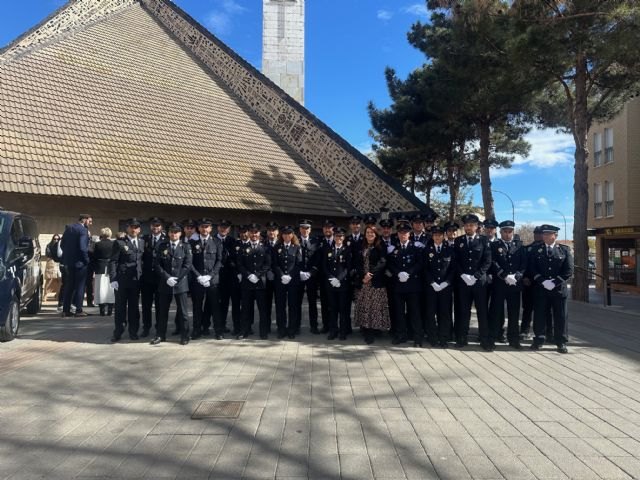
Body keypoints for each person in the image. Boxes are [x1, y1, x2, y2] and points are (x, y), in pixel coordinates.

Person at [529, 225, 574, 353]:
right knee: (539, 315)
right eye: (544, 234)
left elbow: (569, 270)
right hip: (541, 289)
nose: (546, 236)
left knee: (560, 316)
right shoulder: (536, 249)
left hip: (558, 289)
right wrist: (542, 281)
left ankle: (561, 341)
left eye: (549, 234)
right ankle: (539, 339)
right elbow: (532, 268)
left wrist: (555, 282)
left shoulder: (564, 250)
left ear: (555, 235)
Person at [453, 214, 492, 350]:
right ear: (464, 226)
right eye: (467, 225)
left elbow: (487, 261)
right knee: (464, 311)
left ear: (477, 226)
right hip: (463, 282)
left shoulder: (484, 240)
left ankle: (485, 339)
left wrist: (476, 276)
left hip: (479, 282)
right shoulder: (458, 241)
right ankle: (462, 337)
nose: (469, 227)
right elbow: (455, 261)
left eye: (471, 225)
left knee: (482, 311)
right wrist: (463, 275)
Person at [152, 223, 193, 345]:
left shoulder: (185, 246)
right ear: (168, 233)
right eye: (171, 232)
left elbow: (188, 265)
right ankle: (160, 335)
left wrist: (177, 278)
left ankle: (185, 336)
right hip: (165, 283)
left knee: (183, 312)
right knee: (162, 312)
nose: (173, 234)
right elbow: (157, 264)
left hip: (180, 284)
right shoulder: (162, 246)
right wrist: (167, 277)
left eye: (176, 232)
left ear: (180, 233)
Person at [489, 221, 527, 349]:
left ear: (513, 232)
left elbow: (523, 264)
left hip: (514, 285)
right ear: (500, 232)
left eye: (510, 231)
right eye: (505, 231)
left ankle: (513, 339)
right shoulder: (494, 245)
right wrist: (504, 275)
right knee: (496, 312)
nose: (507, 234)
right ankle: (492, 339)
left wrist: (516, 276)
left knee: (514, 313)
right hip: (499, 284)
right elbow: (492, 262)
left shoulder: (520, 246)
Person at [387, 221, 424, 347]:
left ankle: (417, 337)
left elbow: (420, 263)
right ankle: (401, 335)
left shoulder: (416, 247)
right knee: (399, 313)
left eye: (405, 233)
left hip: (413, 285)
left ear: (410, 234)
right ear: (397, 234)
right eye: (401, 233)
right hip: (398, 286)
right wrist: (398, 273)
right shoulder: (394, 249)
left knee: (415, 312)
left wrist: (408, 273)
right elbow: (390, 264)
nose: (403, 235)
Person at [109, 218, 144, 342]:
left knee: (134, 308)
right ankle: (118, 331)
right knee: (120, 308)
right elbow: (113, 261)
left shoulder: (142, 242)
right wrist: (113, 278)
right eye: (131, 227)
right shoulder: (119, 243)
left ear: (139, 230)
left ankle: (133, 331)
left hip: (136, 281)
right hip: (122, 281)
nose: (133, 229)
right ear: (127, 228)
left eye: (136, 227)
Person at [353, 225, 390, 344]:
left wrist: (371, 274)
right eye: (367, 232)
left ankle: (374, 330)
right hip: (363, 281)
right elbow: (357, 262)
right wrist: (363, 275)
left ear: (376, 234)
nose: (370, 234)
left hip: (375, 281)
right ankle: (366, 329)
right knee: (365, 306)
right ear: (365, 234)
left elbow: (383, 262)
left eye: (372, 232)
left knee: (375, 308)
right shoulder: (361, 246)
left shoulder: (380, 246)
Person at [190, 218, 223, 339]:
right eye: (202, 227)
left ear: (210, 228)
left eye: (207, 227)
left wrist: (210, 276)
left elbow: (220, 261)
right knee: (197, 307)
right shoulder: (192, 243)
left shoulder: (217, 242)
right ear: (199, 228)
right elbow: (189, 262)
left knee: (215, 306)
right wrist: (198, 276)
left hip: (212, 280)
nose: (204, 229)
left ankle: (218, 331)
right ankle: (196, 330)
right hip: (198, 281)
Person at [237, 223, 272, 339]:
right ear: (249, 233)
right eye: (252, 232)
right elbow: (240, 264)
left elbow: (268, 264)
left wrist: (257, 275)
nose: (254, 234)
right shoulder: (243, 248)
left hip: (260, 283)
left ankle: (263, 332)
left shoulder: (265, 248)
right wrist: (248, 275)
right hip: (247, 283)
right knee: (246, 308)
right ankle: (244, 331)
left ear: (259, 233)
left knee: (263, 309)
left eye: (256, 232)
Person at [424, 226, 455, 348]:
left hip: (445, 288)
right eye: (435, 235)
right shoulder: (427, 250)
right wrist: (432, 282)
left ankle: (443, 337)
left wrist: (446, 282)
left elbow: (453, 269)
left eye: (439, 235)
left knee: (444, 313)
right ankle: (432, 337)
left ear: (443, 236)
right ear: (432, 236)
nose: (437, 237)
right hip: (431, 288)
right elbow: (425, 269)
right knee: (430, 313)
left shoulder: (450, 250)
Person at [272, 226, 303, 339]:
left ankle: (292, 329)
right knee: (280, 306)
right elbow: (274, 264)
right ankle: (281, 329)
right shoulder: (277, 247)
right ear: (282, 235)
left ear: (292, 235)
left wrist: (289, 276)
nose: (286, 236)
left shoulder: (297, 248)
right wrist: (282, 275)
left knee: (292, 306)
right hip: (280, 281)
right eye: (284, 234)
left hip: (293, 281)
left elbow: (299, 264)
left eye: (289, 234)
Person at [323, 227, 353, 340]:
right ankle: (333, 331)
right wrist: (331, 278)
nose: (338, 238)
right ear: (334, 237)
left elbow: (348, 268)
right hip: (331, 284)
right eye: (336, 236)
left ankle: (343, 331)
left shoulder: (347, 250)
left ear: (343, 238)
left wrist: (339, 279)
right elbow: (324, 266)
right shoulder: (328, 250)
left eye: (340, 236)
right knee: (332, 308)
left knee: (343, 309)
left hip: (343, 285)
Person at [60, 213, 92, 317]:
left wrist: (68, 256)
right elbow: (83, 248)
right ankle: (79, 310)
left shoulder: (69, 228)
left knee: (69, 286)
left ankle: (66, 310)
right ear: (84, 220)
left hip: (69, 262)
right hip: (80, 263)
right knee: (80, 286)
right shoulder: (83, 230)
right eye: (89, 221)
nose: (90, 223)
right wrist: (87, 260)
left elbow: (62, 244)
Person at [140, 217, 166, 338]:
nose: (155, 228)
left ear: (161, 227)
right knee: (146, 305)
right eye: (153, 225)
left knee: (160, 305)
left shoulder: (166, 240)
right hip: (147, 278)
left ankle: (159, 328)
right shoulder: (144, 239)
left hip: (161, 278)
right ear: (150, 227)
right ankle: (146, 327)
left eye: (158, 225)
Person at [217, 219, 240, 334]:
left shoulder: (233, 241)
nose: (223, 229)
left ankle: (237, 327)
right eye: (221, 226)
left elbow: (237, 259)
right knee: (222, 304)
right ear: (218, 228)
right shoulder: (213, 240)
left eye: (226, 227)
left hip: (232, 277)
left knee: (236, 303)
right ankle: (221, 326)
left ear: (229, 229)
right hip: (219, 278)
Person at [520, 225, 544, 338]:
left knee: (542, 310)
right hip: (529, 283)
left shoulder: (548, 248)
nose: (537, 235)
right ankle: (524, 330)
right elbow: (523, 265)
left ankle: (542, 332)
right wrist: (524, 277)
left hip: (542, 284)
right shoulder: (527, 248)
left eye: (539, 233)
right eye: (536, 233)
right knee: (527, 309)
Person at [298, 219, 321, 334]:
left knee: (312, 303)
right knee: (297, 302)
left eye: (307, 228)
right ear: (299, 229)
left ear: (310, 230)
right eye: (303, 228)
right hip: (298, 277)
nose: (305, 230)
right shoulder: (295, 241)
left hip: (311, 277)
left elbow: (318, 259)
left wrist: (311, 272)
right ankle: (296, 326)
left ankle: (314, 326)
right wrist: (299, 272)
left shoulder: (315, 241)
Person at [318, 219, 336, 333]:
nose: (327, 229)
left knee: (336, 304)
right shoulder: (319, 241)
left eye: (329, 227)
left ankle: (338, 326)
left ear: (333, 229)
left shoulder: (339, 240)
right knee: (324, 303)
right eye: (325, 227)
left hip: (337, 278)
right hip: (323, 278)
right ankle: (326, 325)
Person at [93, 228, 115, 316]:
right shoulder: (113, 244)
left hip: (100, 266)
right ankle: (110, 309)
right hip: (111, 267)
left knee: (100, 288)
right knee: (111, 288)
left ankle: (102, 310)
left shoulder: (98, 244)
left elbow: (94, 256)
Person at [263, 221, 279, 332]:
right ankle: (266, 326)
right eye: (269, 230)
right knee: (266, 304)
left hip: (279, 278)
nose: (271, 232)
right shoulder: (262, 243)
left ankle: (280, 326)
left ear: (277, 232)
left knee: (280, 304)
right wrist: (267, 271)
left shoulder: (282, 243)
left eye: (273, 230)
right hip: (266, 278)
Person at [44, 234, 62, 301]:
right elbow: (48, 254)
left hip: (58, 263)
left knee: (60, 280)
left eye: (58, 239)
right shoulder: (49, 245)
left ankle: (58, 295)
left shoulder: (60, 246)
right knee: (49, 279)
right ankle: (45, 295)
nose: (56, 240)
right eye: (55, 239)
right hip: (51, 263)